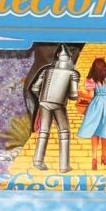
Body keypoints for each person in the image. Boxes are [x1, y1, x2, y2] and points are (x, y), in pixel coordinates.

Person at [27, 44, 80, 172]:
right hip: (58, 104)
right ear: (69, 58)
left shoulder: (46, 71)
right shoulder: (72, 74)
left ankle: (38, 161)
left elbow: (34, 88)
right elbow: (74, 96)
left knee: (44, 131)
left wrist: (42, 98)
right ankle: (64, 166)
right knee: (64, 132)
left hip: (44, 103)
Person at [76, 58, 106, 170]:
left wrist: (81, 94)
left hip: (95, 105)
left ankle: (94, 158)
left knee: (95, 131)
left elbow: (90, 95)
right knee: (105, 131)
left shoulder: (91, 78)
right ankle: (103, 156)